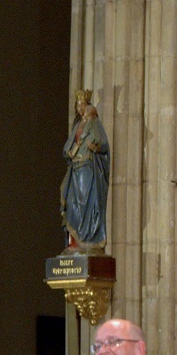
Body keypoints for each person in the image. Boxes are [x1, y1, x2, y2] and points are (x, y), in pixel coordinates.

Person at [63, 91, 110, 248]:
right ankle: (76, 240)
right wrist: (69, 152)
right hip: (75, 169)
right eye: (78, 104)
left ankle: (88, 238)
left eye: (83, 104)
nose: (80, 107)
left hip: (87, 169)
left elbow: (103, 144)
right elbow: (68, 147)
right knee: (70, 202)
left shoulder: (93, 122)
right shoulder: (77, 126)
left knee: (86, 204)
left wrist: (95, 147)